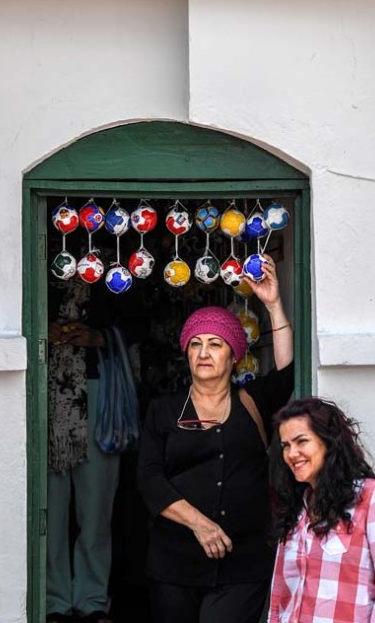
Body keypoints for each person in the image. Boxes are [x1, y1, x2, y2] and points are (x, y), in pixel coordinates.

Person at [136, 255, 294, 623]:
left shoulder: (253, 401)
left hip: (243, 563)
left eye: (215, 344)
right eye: (196, 344)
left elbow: (288, 372)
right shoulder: (163, 410)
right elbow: (149, 479)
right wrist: (200, 524)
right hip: (175, 564)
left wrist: (272, 305)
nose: (204, 353)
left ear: (235, 355)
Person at [46, 278, 140, 623]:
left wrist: (98, 337)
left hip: (98, 392)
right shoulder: (46, 273)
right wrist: (47, 329)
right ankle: (53, 598)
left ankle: (92, 597)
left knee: (96, 504)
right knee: (50, 509)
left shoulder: (114, 273)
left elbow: (136, 325)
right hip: (50, 395)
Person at [268, 398, 375, 623]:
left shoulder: (370, 496)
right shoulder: (295, 507)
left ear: (328, 441)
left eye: (301, 441)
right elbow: (278, 599)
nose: (292, 453)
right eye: (285, 446)